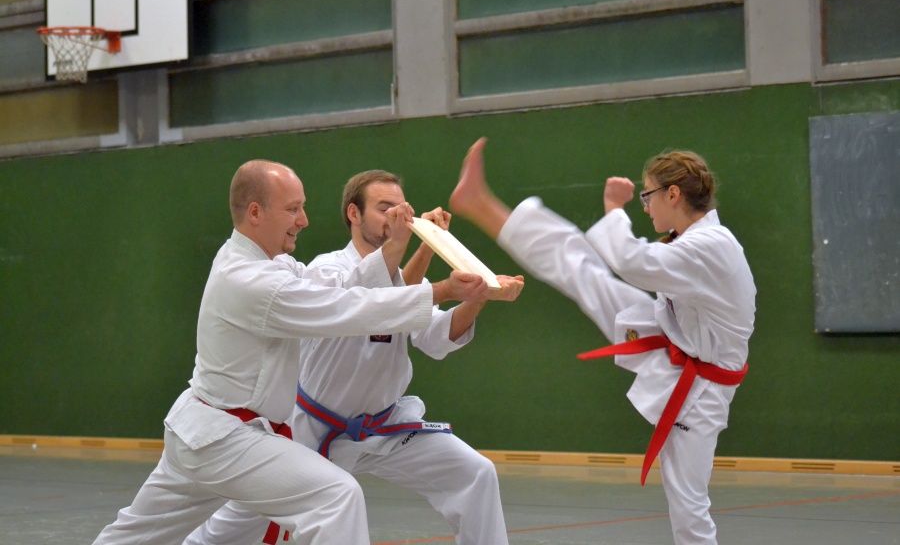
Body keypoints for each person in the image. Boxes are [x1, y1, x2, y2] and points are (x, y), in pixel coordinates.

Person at [92, 160, 493, 545]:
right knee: (335, 497)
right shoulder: (255, 281)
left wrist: (406, 247)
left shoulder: (267, 263)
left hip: (207, 431)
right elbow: (347, 308)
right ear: (255, 212)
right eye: (293, 209)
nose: (303, 220)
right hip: (229, 438)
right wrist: (442, 290)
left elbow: (347, 289)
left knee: (135, 535)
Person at [185, 170, 524, 545]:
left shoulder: (403, 281)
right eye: (384, 208)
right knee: (234, 527)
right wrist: (432, 269)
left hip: (384, 426)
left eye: (402, 208)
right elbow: (370, 302)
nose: (397, 216)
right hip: (316, 430)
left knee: (475, 473)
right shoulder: (326, 270)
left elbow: (436, 337)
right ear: (354, 214)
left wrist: (476, 295)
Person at [447, 138, 755, 545]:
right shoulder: (697, 240)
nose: (646, 206)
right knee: (583, 272)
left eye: (648, 196)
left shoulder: (710, 247)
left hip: (700, 386)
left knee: (688, 504)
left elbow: (632, 261)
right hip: (674, 341)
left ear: (673, 194)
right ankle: (481, 205)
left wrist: (613, 209)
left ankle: (481, 204)